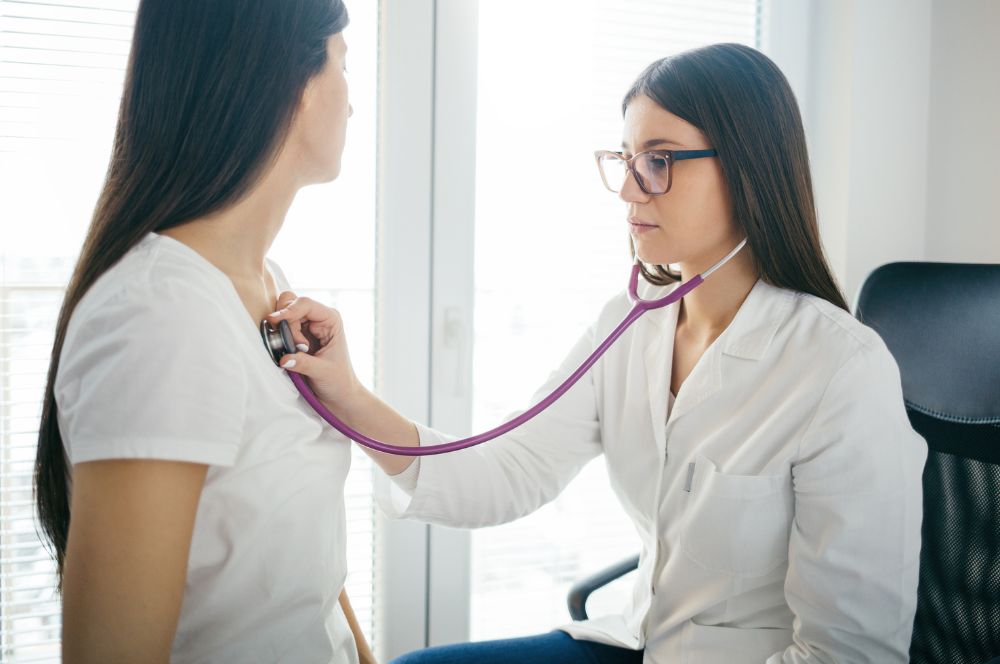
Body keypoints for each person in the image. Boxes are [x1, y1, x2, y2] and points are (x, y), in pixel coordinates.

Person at [268, 43, 927, 663]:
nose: (629, 190)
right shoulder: (632, 326)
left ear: (748, 167)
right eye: (626, 159)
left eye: (659, 161)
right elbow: (511, 471)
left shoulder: (840, 369)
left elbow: (848, 653)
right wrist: (346, 394)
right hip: (636, 642)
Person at [34, 1, 374, 662]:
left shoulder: (263, 282)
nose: (353, 103)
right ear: (291, 83)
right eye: (343, 63)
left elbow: (307, 582)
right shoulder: (161, 315)